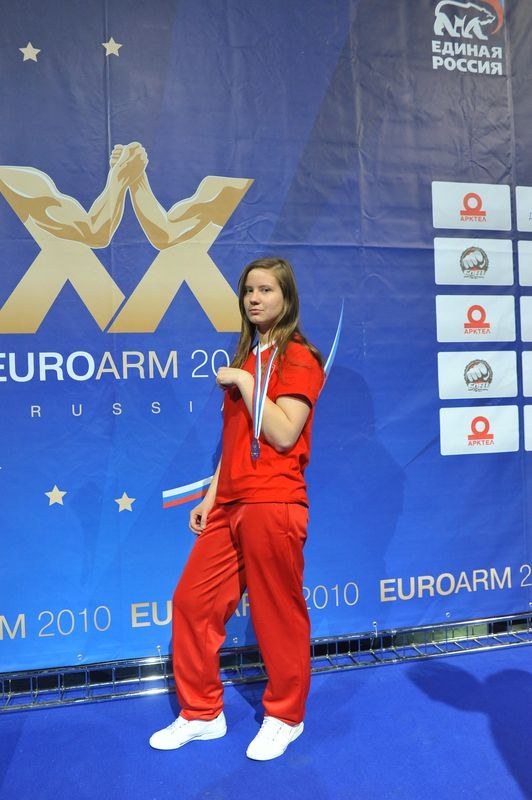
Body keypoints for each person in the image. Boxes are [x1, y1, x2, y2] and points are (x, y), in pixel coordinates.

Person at [149, 257, 324, 761]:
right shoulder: (248, 357)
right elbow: (236, 440)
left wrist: (246, 385)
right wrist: (211, 497)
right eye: (248, 290)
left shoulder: (298, 356)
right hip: (230, 502)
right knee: (192, 603)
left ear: (286, 297)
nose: (254, 299)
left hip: (274, 500)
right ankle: (202, 713)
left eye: (266, 290)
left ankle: (285, 717)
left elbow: (284, 433)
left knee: (277, 614)